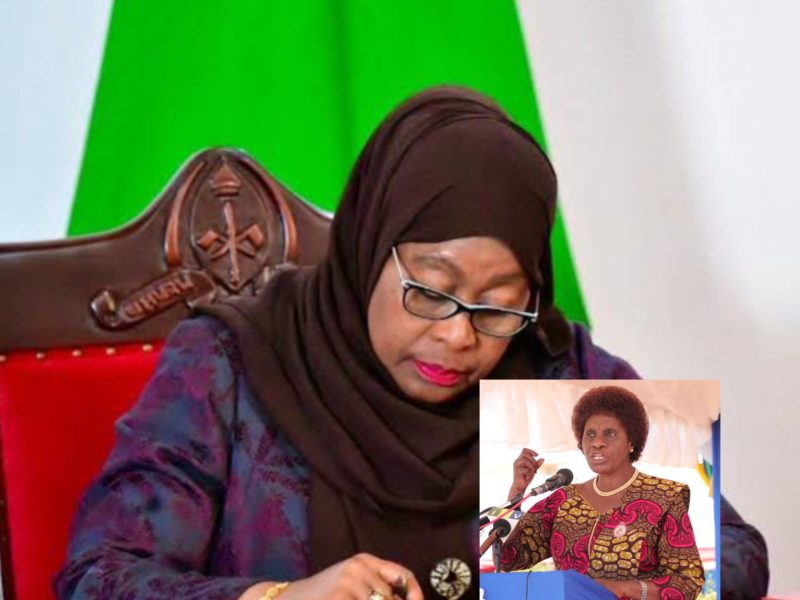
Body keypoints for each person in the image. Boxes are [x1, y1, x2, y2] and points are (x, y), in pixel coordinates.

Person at [53, 86, 764, 600]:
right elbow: (97, 576)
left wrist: (593, 581)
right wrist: (279, 597)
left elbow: (735, 553)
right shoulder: (229, 365)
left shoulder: (554, 368)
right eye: (431, 288)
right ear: (370, 249)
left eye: (497, 304)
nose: (457, 336)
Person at [499, 386, 704, 599]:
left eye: (610, 433)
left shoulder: (665, 497)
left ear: (631, 442)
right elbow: (507, 558)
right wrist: (517, 491)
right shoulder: (563, 500)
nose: (597, 443)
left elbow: (687, 581)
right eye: (590, 434)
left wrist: (624, 588)